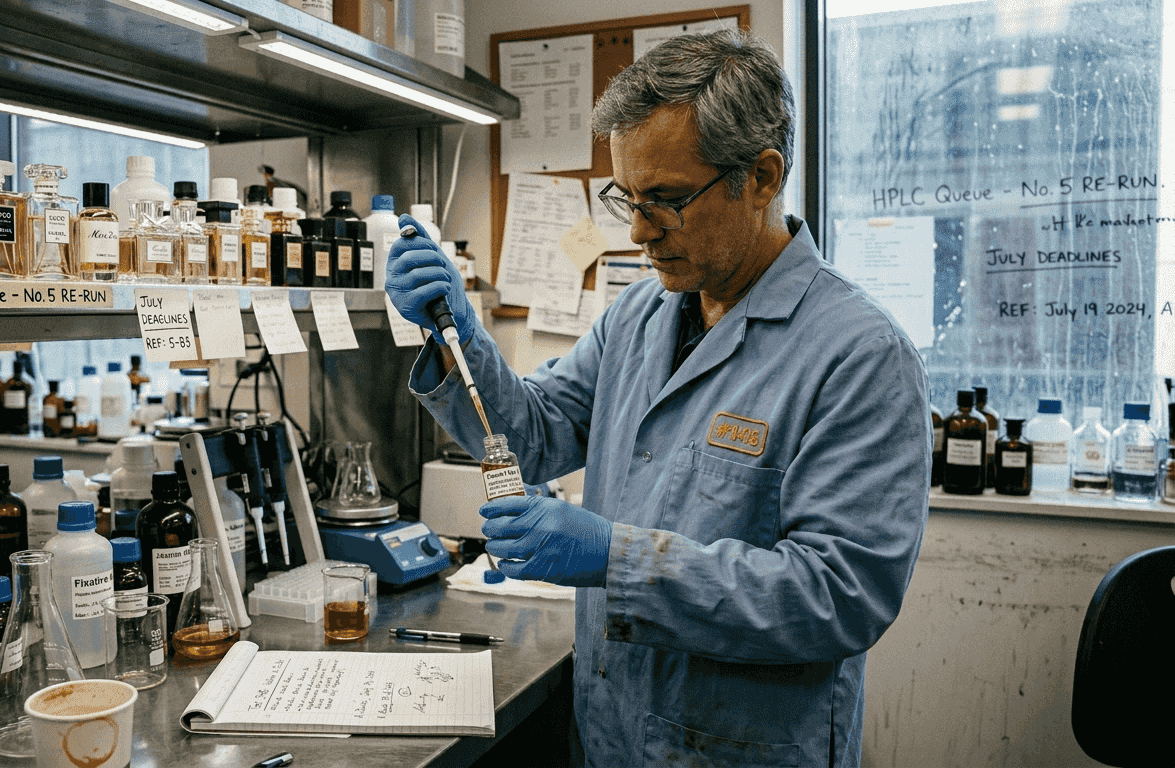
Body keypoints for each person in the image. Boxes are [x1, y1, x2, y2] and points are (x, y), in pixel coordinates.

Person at [386, 29, 930, 768]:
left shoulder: (859, 355)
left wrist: (617, 557)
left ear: (762, 177)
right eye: (628, 199)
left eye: (667, 201)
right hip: (613, 732)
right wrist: (459, 333)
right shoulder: (638, 316)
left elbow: (837, 596)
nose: (640, 233)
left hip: (742, 749)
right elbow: (536, 434)